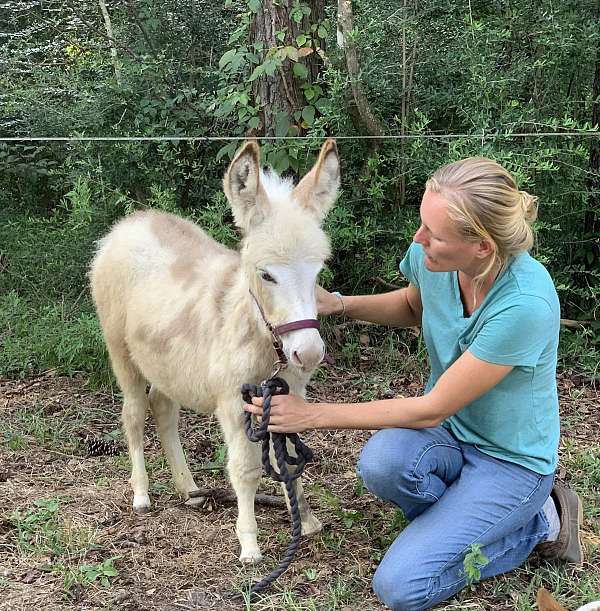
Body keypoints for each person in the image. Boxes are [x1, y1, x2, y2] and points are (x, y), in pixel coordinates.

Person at [244, 156, 584, 611]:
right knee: (382, 462)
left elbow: (432, 408)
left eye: (434, 233)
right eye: (422, 223)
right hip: (451, 436)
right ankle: (465, 518)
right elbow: (412, 306)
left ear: (481, 246)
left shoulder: (525, 303)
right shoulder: (436, 260)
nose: (419, 238)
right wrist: (338, 304)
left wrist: (312, 415)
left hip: (509, 463)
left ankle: (542, 521)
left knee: (402, 588)